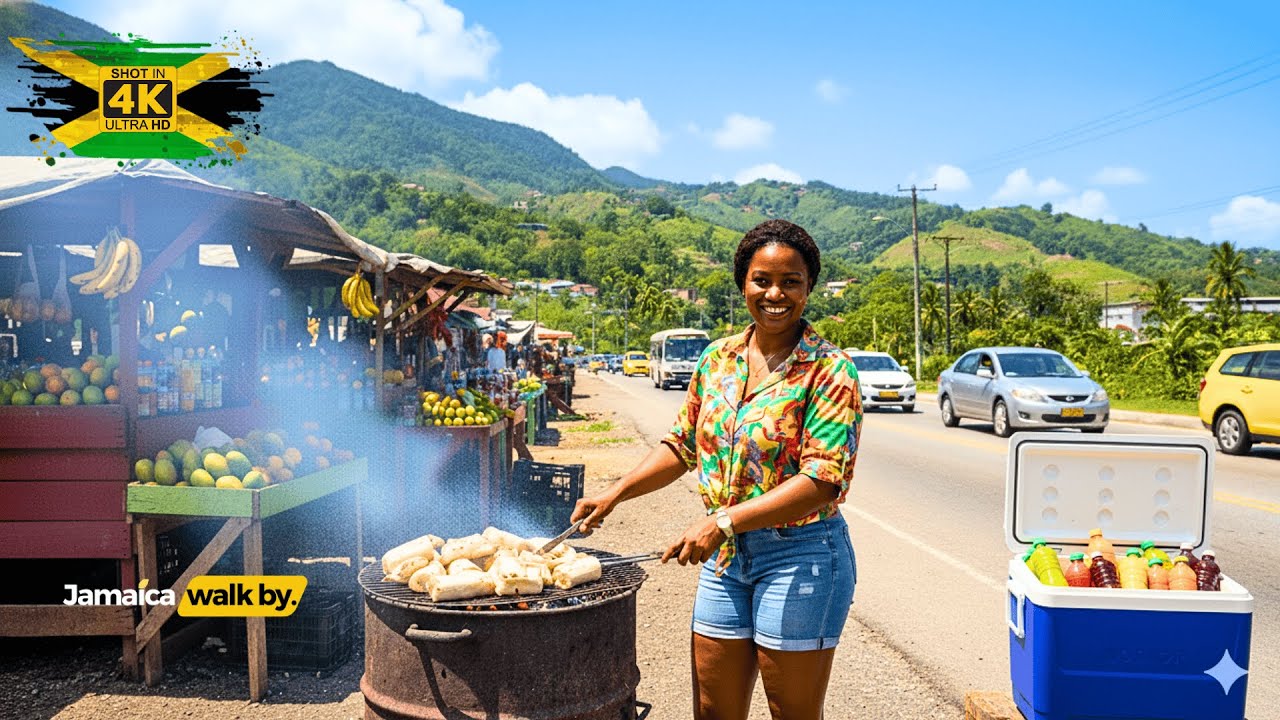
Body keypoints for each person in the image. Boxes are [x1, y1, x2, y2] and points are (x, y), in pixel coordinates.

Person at [573, 219, 862, 720]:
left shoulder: (830, 370)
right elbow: (682, 446)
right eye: (762, 280)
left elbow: (821, 481)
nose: (775, 293)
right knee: (712, 709)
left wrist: (721, 521)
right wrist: (613, 493)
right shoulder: (716, 360)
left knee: (790, 711)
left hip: (801, 554)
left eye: (791, 281)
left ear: (809, 287)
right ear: (742, 284)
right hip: (727, 561)